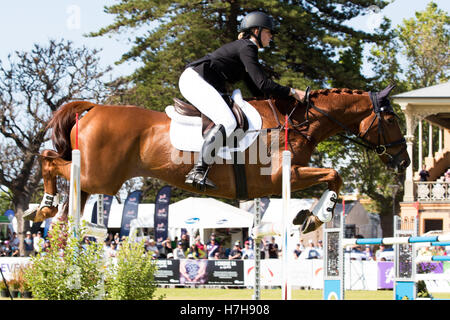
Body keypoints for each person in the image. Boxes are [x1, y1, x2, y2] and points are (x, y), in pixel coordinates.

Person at [179, 11, 305, 190]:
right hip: (196, 79)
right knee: (228, 122)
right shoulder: (247, 47)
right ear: (256, 30)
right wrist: (292, 92)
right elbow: (264, 84)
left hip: (202, 81)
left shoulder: (245, 50)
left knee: (230, 118)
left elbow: (257, 89)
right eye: (269, 32)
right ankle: (198, 170)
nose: (271, 37)